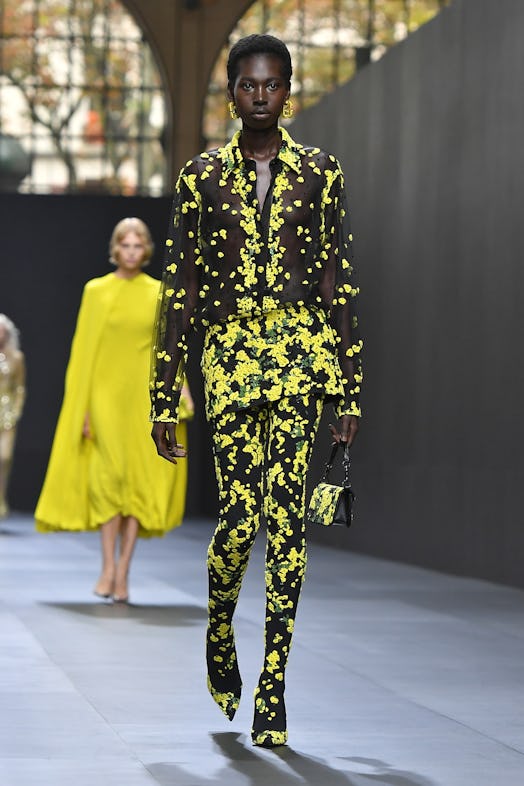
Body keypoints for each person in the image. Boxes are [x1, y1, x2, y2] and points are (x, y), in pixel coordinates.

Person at [150, 34, 362, 747]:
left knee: (289, 522)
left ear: (288, 89)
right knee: (241, 519)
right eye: (248, 85)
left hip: (301, 354)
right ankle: (218, 624)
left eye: (272, 84)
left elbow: (338, 278)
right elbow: (179, 285)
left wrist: (350, 391)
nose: (261, 95)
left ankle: (273, 685)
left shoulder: (323, 173)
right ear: (233, 94)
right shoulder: (201, 176)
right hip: (231, 355)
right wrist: (162, 393)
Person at [36, 217, 193, 602]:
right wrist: (83, 408)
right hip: (105, 397)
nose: (131, 252)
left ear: (147, 250)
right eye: (125, 245)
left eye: (138, 245)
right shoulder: (96, 291)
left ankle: (124, 573)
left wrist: (180, 391)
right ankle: (107, 567)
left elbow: (168, 346)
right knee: (109, 482)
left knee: (138, 483)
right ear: (115, 248)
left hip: (143, 398)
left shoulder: (158, 292)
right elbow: (83, 351)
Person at [0, 314, 26, 519]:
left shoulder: (16, 358)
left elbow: (20, 388)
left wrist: (15, 412)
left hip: (6, 414)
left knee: (4, 457)